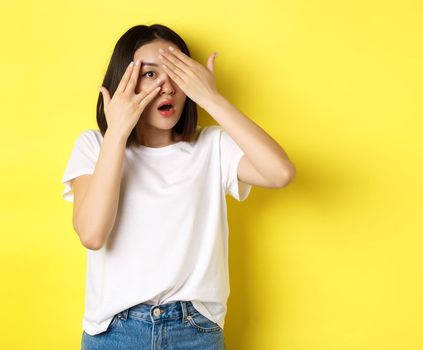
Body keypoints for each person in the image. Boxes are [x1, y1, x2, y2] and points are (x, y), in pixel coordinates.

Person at [61, 24, 295, 349]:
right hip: (115, 334)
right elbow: (92, 234)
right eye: (151, 75)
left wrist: (212, 99)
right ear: (123, 82)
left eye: (177, 73)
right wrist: (116, 132)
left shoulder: (212, 146)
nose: (167, 87)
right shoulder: (95, 146)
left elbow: (280, 172)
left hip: (194, 332)